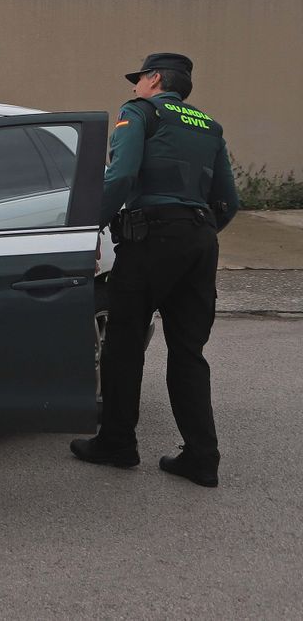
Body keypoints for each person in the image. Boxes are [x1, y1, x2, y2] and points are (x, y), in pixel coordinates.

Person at [71, 52, 239, 488]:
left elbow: (121, 174)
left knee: (124, 345)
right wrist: (195, 232)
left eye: (139, 79)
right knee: (188, 352)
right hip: (201, 242)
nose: (133, 87)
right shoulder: (209, 126)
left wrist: (91, 227)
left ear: (156, 78)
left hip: (151, 241)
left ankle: (117, 443)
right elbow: (229, 200)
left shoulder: (140, 112)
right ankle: (202, 458)